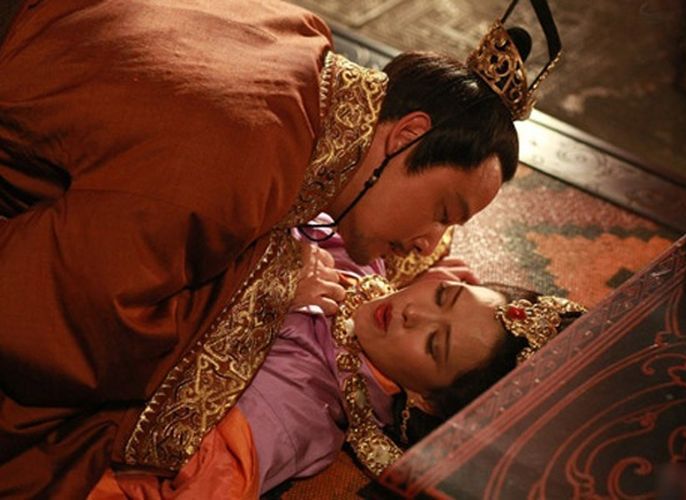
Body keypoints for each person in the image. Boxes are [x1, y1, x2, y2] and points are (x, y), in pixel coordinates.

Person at [0, 0, 559, 496]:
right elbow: (40, 319)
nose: (429, 242)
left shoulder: (304, 36)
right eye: (443, 211)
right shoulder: (239, 169)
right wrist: (268, 283)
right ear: (408, 134)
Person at [86, 225, 585, 498]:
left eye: (435, 344)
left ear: (426, 400)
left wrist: (265, 291)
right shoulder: (368, 252)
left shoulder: (298, 412)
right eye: (444, 296)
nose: (413, 312)